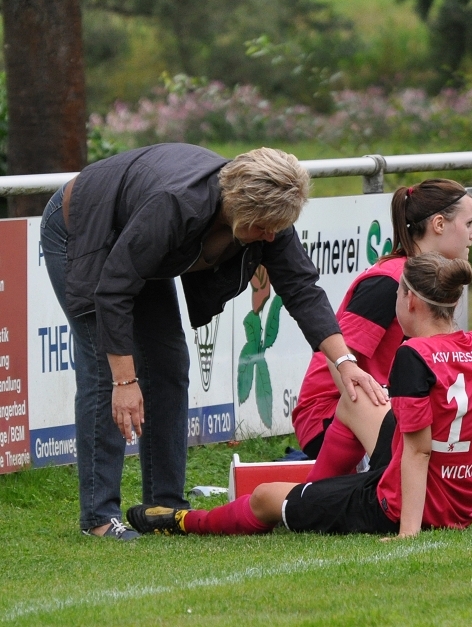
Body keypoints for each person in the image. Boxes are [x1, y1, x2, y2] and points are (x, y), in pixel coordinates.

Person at [40, 143, 386, 541]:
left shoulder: (269, 214)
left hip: (135, 242)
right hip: (84, 228)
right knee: (106, 371)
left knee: (169, 364)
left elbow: (302, 288)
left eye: (278, 227)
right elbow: (113, 289)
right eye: (263, 227)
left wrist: (345, 364)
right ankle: (99, 518)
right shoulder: (174, 206)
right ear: (238, 206)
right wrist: (125, 382)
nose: (271, 235)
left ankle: (164, 506)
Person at [126, 253, 472, 538]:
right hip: (455, 503)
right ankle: (315, 494)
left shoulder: (414, 353)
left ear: (409, 299)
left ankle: (184, 520)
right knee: (355, 398)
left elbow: (419, 453)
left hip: (406, 504)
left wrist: (409, 533)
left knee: (267, 497)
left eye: (396, 295)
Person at [292, 178, 472, 482]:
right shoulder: (388, 283)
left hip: (383, 405)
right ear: (440, 224)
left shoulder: (426, 278)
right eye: (468, 223)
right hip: (326, 417)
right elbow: (334, 356)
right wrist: (366, 423)